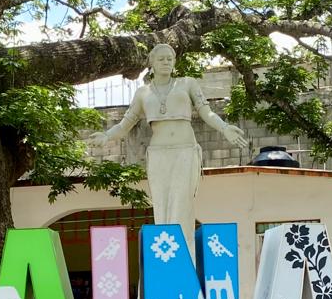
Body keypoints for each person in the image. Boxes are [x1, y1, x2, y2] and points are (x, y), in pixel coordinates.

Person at [94, 42, 248, 252]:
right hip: (158, 154)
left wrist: (225, 128)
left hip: (185, 150)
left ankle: (185, 253)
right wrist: (106, 136)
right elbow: (125, 124)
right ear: (152, 63)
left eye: (170, 58)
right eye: (161, 59)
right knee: (161, 206)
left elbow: (206, 112)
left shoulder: (187, 83)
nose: (166, 62)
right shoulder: (142, 93)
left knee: (182, 204)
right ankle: (167, 255)